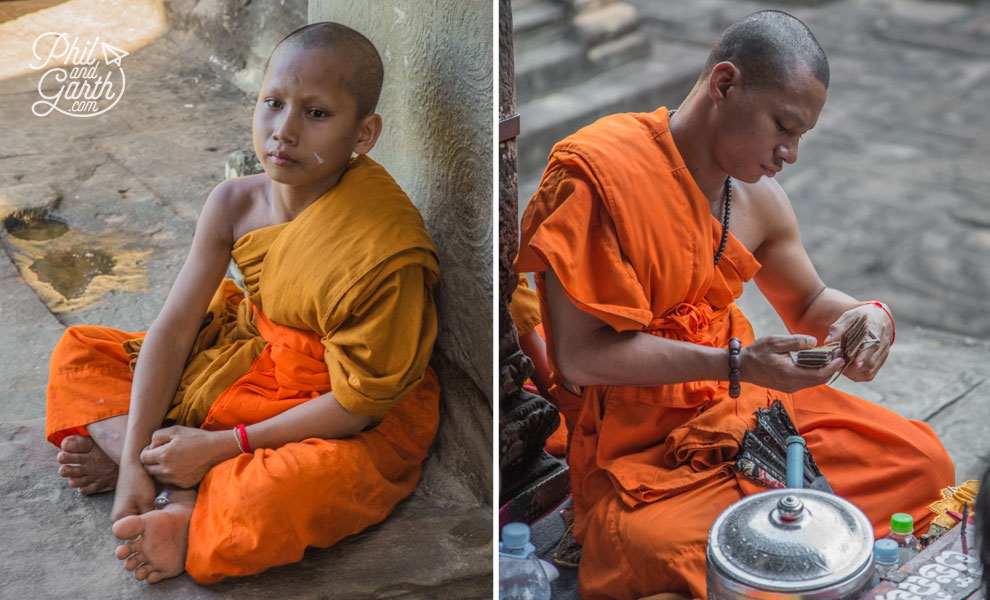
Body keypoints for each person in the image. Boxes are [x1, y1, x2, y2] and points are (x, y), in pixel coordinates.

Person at [515, 10, 955, 600]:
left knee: (921, 462)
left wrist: (868, 317)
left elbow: (811, 302)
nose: (790, 153)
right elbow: (580, 357)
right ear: (725, 85)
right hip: (637, 447)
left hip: (749, 414)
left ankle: (782, 544)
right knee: (658, 547)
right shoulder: (599, 174)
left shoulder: (756, 199)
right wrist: (737, 363)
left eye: (800, 137)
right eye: (783, 126)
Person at [47, 22, 441, 584]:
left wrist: (218, 445)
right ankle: (159, 468)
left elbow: (360, 406)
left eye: (317, 114)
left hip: (331, 403)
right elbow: (174, 331)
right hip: (246, 355)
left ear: (364, 132)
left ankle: (186, 503)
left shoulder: (382, 243)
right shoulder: (234, 201)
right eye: (273, 103)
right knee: (80, 353)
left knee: (271, 498)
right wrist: (135, 461)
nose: (284, 131)